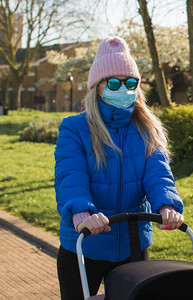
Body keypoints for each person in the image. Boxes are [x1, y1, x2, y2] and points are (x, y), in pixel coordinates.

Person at [54, 36, 184, 299]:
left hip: (132, 242)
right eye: (114, 82)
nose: (123, 89)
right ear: (98, 86)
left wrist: (167, 205)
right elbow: (70, 175)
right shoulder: (75, 128)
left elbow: (159, 174)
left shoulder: (147, 128)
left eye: (130, 83)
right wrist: (80, 213)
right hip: (85, 242)